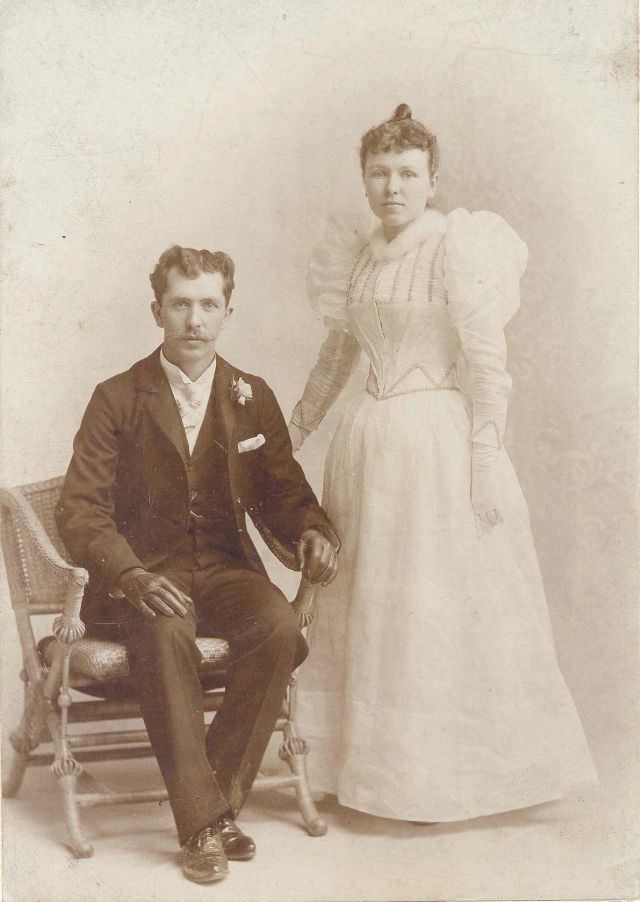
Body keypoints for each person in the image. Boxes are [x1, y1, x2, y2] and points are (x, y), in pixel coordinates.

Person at [288, 104, 597, 823]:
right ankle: (369, 774)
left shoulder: (458, 248)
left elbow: (488, 365)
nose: (392, 186)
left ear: (434, 179)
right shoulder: (360, 254)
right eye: (379, 173)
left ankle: (451, 777)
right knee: (371, 600)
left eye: (407, 173)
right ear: (364, 179)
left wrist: (485, 460)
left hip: (435, 443)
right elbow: (340, 351)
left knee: (435, 603)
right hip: (366, 444)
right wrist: (297, 428)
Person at [56, 245, 340, 883]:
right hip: (144, 577)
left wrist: (314, 531)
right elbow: (80, 510)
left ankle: (211, 806)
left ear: (227, 312)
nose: (194, 319)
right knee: (163, 631)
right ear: (157, 310)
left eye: (208, 304)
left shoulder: (252, 396)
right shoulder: (117, 397)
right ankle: (205, 825)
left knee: (278, 629)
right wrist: (129, 575)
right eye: (180, 304)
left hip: (223, 568)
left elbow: (285, 492)